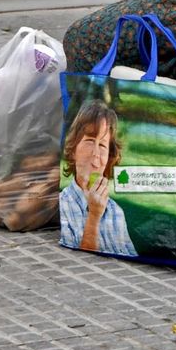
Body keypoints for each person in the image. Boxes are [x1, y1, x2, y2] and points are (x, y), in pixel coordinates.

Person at [58, 99, 137, 257]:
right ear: (73, 150)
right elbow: (82, 257)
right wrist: (94, 215)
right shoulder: (64, 204)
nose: (96, 153)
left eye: (102, 145)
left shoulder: (116, 212)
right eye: (89, 141)